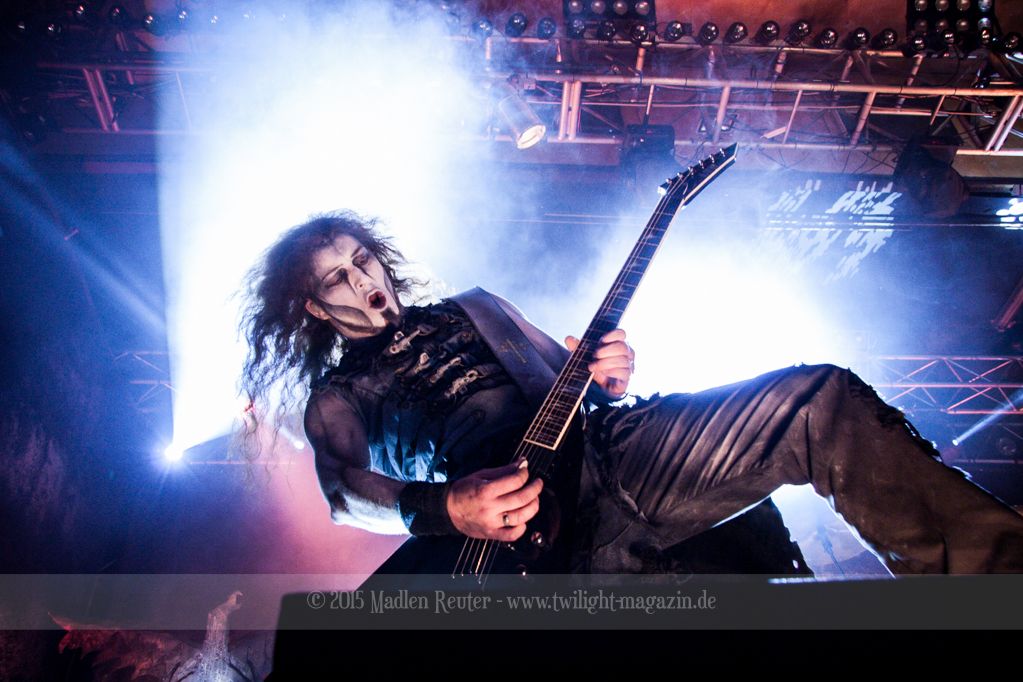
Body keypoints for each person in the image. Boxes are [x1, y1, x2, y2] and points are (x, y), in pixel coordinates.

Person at [241, 210, 1023, 576]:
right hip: (515, 526)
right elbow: (344, 494)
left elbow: (574, 374)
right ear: (314, 307)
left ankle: (992, 580)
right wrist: (443, 507)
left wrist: (606, 371)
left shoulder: (476, 306)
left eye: (362, 260)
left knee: (815, 402)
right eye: (336, 278)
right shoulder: (337, 395)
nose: (361, 280)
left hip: (613, 452)